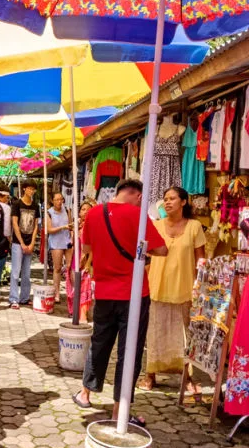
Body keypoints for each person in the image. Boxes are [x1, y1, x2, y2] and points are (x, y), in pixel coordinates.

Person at [73, 179, 168, 425]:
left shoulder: (93, 214)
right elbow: (162, 250)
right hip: (134, 293)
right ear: (137, 195)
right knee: (130, 351)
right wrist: (139, 249)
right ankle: (119, 410)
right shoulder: (138, 216)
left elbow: (87, 247)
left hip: (104, 291)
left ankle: (85, 394)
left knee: (99, 343)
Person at [139, 186, 205, 393]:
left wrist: (201, 286)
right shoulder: (155, 226)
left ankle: (186, 377)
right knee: (155, 333)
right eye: (165, 199)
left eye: (172, 199)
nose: (167, 202)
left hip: (185, 289)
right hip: (157, 286)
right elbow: (145, 255)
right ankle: (150, 375)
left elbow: (201, 259)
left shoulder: (194, 226)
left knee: (185, 336)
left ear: (183, 202)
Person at [9, 180, 40, 309]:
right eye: (30, 189)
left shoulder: (35, 206)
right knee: (16, 272)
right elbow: (15, 224)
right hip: (17, 242)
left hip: (29, 242)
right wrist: (21, 242)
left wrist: (32, 242)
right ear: (24, 189)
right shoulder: (16, 204)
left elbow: (36, 225)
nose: (31, 191)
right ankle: (13, 298)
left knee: (27, 273)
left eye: (33, 189)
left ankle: (25, 297)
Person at [65, 198, 95, 322]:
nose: (85, 212)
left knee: (84, 289)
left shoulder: (92, 227)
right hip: (73, 261)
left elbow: (93, 247)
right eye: (83, 209)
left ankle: (82, 316)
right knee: (74, 288)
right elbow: (70, 246)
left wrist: (88, 263)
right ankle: (75, 313)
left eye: (88, 210)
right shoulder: (76, 227)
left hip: (85, 262)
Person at [47, 192, 73, 303]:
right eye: (57, 199)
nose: (59, 202)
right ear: (52, 201)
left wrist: (71, 234)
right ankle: (56, 293)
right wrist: (63, 227)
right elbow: (49, 230)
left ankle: (72, 291)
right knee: (57, 268)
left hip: (67, 241)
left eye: (61, 199)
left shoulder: (67, 211)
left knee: (70, 266)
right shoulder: (49, 213)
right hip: (56, 242)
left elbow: (71, 226)